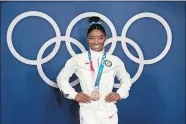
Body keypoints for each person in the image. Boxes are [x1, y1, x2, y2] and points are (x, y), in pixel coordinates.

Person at [56, 16, 132, 124]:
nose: (96, 42)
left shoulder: (114, 60)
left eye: (100, 38)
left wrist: (120, 94)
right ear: (87, 39)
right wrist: (73, 95)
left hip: (109, 111)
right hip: (88, 112)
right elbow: (61, 78)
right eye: (92, 38)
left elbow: (126, 79)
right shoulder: (78, 59)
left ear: (105, 38)